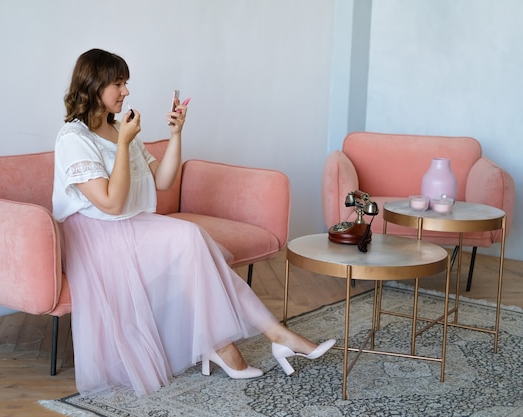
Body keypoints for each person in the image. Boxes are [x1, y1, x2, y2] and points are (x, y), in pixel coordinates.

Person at [52, 48, 335, 397]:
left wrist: (175, 134)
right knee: (189, 239)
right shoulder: (73, 139)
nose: (125, 92)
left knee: (193, 242)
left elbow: (164, 180)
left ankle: (255, 340)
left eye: (126, 83)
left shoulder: (118, 130)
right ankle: (253, 340)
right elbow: (110, 203)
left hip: (131, 226)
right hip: (96, 236)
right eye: (118, 84)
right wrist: (123, 145)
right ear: (93, 86)